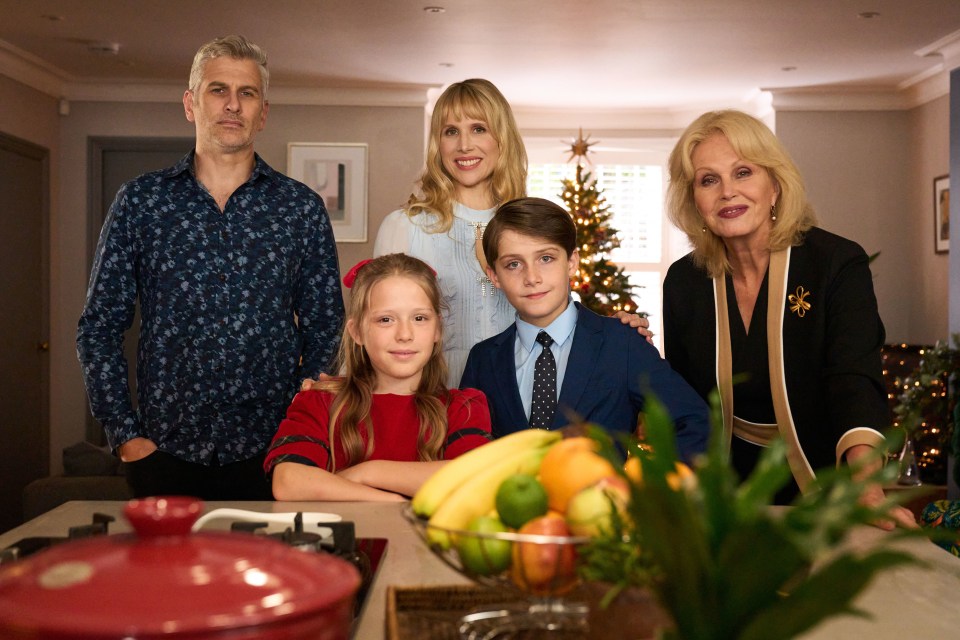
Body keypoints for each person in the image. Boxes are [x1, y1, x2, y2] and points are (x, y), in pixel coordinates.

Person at [76, 35, 344, 501]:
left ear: (264, 112)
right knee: (166, 576)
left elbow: (327, 324)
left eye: (248, 93)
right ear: (190, 103)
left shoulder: (299, 208)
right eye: (218, 90)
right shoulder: (142, 202)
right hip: (164, 454)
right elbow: (99, 326)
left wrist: (303, 423)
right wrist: (126, 435)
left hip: (272, 454)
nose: (233, 105)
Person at [661, 109, 915, 528]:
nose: (727, 192)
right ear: (694, 199)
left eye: (743, 172)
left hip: (827, 478)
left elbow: (853, 379)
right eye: (709, 180)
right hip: (722, 493)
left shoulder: (835, 263)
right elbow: (686, 401)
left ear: (775, 185)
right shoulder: (683, 282)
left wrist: (866, 484)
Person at [373, 78, 650, 388]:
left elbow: (557, 313)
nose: (464, 145)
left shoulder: (528, 225)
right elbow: (375, 327)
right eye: (451, 131)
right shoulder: (404, 227)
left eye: (479, 128)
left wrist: (613, 329)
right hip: (431, 400)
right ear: (438, 144)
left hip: (521, 399)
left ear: (502, 138)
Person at [460, 198, 710, 461]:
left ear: (571, 262)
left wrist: (645, 488)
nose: (532, 277)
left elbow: (694, 421)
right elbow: (466, 448)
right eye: (514, 264)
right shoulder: (483, 360)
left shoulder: (621, 343)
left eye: (546, 258)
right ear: (494, 275)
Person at [264, 254, 492, 501]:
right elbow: (288, 481)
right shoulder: (320, 400)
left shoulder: (464, 406)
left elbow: (473, 479)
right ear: (357, 332)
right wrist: (391, 502)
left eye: (419, 318)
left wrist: (367, 473)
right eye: (385, 320)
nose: (404, 334)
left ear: (437, 328)